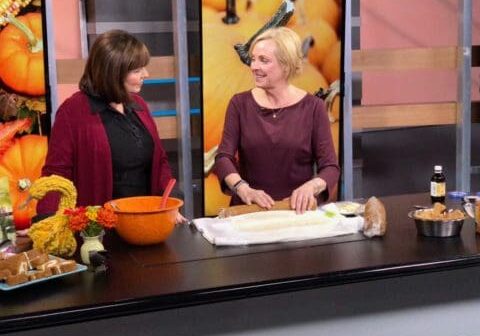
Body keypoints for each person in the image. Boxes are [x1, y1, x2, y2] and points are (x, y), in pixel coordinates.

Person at [38, 30, 186, 223]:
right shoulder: (72, 112)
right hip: (100, 231)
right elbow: (56, 174)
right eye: (137, 70)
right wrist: (46, 222)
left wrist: (170, 201)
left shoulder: (139, 106)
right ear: (113, 73)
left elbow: (160, 162)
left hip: (145, 224)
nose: (146, 74)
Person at [214, 27, 340, 214]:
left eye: (263, 60)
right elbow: (223, 157)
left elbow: (330, 167)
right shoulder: (239, 104)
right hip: (249, 212)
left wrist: (311, 187)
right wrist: (243, 188)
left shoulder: (314, 107)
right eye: (254, 59)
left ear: (286, 66)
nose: (254, 66)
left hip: (296, 213)